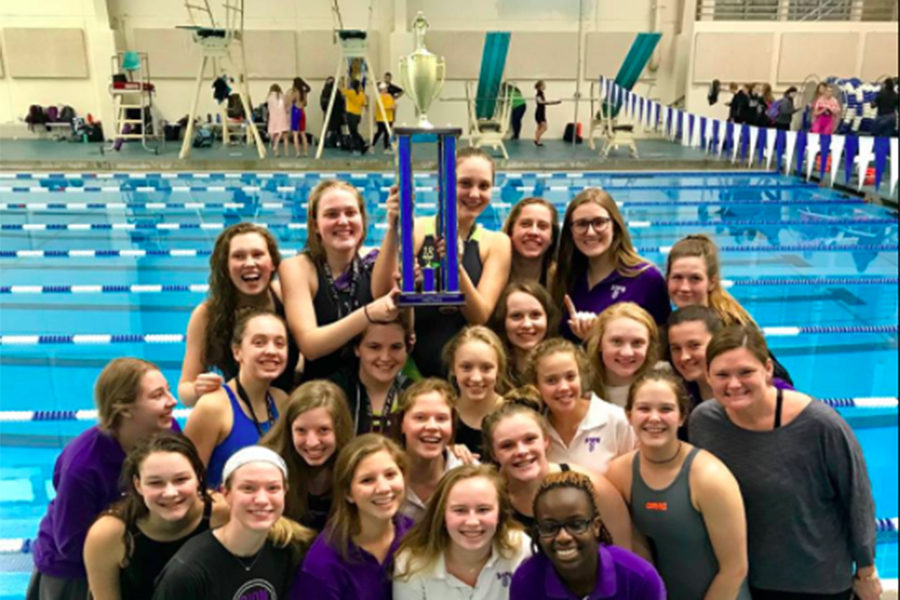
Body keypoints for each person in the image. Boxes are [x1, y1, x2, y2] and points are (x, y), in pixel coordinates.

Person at [690, 325, 881, 600]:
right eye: (722, 374)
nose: (733, 384)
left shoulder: (819, 424)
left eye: (745, 372)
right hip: (745, 578)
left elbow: (857, 497)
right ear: (708, 375)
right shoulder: (705, 422)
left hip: (816, 579)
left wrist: (866, 571)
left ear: (767, 369)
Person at [27, 358, 179, 600]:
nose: (172, 401)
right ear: (124, 408)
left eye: (168, 390)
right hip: (73, 574)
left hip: (128, 559)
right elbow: (71, 545)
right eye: (157, 395)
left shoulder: (167, 433)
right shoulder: (83, 465)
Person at [605, 367, 751, 599]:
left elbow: (735, 569)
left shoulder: (708, 477)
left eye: (666, 409)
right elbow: (635, 549)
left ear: (682, 416)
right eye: (644, 408)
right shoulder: (621, 473)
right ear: (629, 415)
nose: (654, 418)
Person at [373, 147, 513, 378]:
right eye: (465, 183)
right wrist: (393, 227)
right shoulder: (417, 229)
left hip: (468, 375)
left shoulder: (496, 244)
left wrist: (455, 268)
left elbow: (479, 316)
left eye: (484, 186)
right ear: (443, 187)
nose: (475, 194)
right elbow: (380, 293)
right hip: (412, 371)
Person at [151, 446, 312, 600]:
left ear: (285, 492)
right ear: (226, 493)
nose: (262, 500)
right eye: (248, 488)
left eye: (273, 488)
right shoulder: (188, 572)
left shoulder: (287, 550)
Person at [84, 433, 229, 600]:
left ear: (199, 477)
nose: (170, 493)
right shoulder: (110, 535)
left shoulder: (223, 515)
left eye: (181, 479)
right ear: (138, 485)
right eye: (155, 483)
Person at [280, 180, 399, 382]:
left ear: (362, 220)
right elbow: (310, 346)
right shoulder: (298, 268)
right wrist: (367, 314)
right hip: (320, 393)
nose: (343, 221)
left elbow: (386, 300)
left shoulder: (374, 261)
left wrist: (394, 225)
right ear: (316, 225)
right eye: (331, 214)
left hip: (373, 388)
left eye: (351, 213)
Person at [481, 398, 632, 547]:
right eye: (507, 446)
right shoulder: (487, 496)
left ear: (546, 440)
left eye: (530, 439)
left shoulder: (592, 487)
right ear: (493, 453)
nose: (521, 451)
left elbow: (626, 556)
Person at [179, 222, 299, 407]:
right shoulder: (206, 315)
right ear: (225, 266)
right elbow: (185, 391)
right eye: (238, 256)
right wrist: (197, 389)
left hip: (287, 410)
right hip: (239, 413)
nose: (250, 263)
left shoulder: (287, 298)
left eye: (258, 254)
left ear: (273, 263)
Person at [290, 434, 413, 600]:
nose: (383, 488)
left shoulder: (415, 537)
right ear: (348, 493)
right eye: (367, 480)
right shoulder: (323, 562)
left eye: (390, 475)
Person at [509, 471, 665, 600]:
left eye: (576, 525)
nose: (563, 537)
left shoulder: (640, 578)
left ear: (596, 526)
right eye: (550, 527)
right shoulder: (525, 582)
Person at [665, 233, 793, 385]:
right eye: (677, 277)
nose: (684, 287)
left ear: (712, 282)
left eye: (695, 278)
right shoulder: (673, 324)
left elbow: (777, 380)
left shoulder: (731, 327)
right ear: (667, 280)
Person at [184, 309, 289, 488]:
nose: (271, 351)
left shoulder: (282, 401)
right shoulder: (213, 407)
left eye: (279, 344)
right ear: (237, 352)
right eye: (259, 342)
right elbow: (187, 483)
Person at [393, 465, 532, 599]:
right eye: (460, 510)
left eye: (483, 510)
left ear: (500, 513)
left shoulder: (520, 548)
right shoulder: (411, 564)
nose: (472, 522)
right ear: (443, 515)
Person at [551, 188, 670, 340]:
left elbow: (660, 344)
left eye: (599, 222)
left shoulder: (646, 278)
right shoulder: (565, 277)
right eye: (581, 224)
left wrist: (597, 338)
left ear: (615, 226)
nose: (590, 232)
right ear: (571, 231)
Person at [527, 338, 635, 476]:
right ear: (537, 386)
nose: (564, 387)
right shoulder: (535, 430)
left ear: (581, 377)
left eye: (570, 377)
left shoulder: (616, 420)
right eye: (551, 380)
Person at [261, 380, 354, 531]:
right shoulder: (266, 465)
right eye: (301, 430)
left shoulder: (355, 468)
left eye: (323, 430)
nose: (312, 442)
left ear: (339, 429)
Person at [396, 379, 470, 522]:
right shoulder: (383, 478)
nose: (431, 426)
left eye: (441, 418)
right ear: (402, 424)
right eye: (420, 418)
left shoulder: (468, 473)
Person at [329, 315, 414, 435]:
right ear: (357, 349)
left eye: (395, 347)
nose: (385, 357)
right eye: (374, 347)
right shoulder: (333, 393)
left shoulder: (416, 394)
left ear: (407, 349)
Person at [442, 325, 510, 457]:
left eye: (486, 368)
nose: (476, 378)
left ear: (499, 370)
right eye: (466, 367)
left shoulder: (515, 413)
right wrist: (446, 455)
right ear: (453, 369)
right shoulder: (443, 416)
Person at [584, 303, 661, 408]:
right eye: (616, 341)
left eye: (637, 343)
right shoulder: (580, 388)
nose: (627, 352)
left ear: (649, 347)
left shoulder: (664, 384)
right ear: (599, 344)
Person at [490, 281, 559, 387]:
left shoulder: (562, 369)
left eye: (535, 315)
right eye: (516, 316)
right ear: (502, 321)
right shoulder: (492, 374)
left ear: (548, 319)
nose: (527, 324)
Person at [501, 196, 559, 286]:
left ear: (552, 237)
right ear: (510, 231)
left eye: (542, 226)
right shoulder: (490, 272)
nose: (533, 232)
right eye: (525, 224)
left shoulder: (560, 280)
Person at [287, 76, 311, 157]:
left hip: (295, 111)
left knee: (295, 134)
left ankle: (297, 152)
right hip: (302, 111)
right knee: (303, 134)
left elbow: (290, 102)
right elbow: (305, 103)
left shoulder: (294, 92)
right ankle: (306, 152)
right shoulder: (304, 92)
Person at [343, 78, 368, 154]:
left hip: (351, 115)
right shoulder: (361, 94)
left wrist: (343, 82)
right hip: (357, 115)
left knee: (353, 132)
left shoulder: (351, 92)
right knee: (354, 132)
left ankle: (360, 146)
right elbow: (365, 104)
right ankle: (361, 145)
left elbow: (342, 90)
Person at [533, 80, 560, 147]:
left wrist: (553, 102)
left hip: (541, 112)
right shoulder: (538, 94)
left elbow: (542, 102)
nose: (544, 86)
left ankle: (537, 141)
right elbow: (540, 102)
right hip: (539, 113)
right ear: (540, 86)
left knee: (539, 127)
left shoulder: (541, 93)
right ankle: (536, 139)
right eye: (543, 85)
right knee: (544, 127)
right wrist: (552, 102)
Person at [267, 83, 290, 156]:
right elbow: (286, 108)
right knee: (285, 136)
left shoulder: (269, 97)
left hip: (273, 118)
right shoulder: (282, 97)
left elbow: (269, 108)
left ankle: (276, 152)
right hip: (282, 117)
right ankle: (286, 153)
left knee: (275, 135)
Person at [372, 82, 395, 153]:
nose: (385, 90)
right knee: (379, 132)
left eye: (385, 89)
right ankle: (372, 145)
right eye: (383, 89)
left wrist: (393, 114)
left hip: (389, 118)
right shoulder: (379, 97)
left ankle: (386, 148)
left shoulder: (389, 96)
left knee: (386, 133)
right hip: (381, 118)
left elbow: (393, 105)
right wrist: (390, 107)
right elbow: (382, 107)